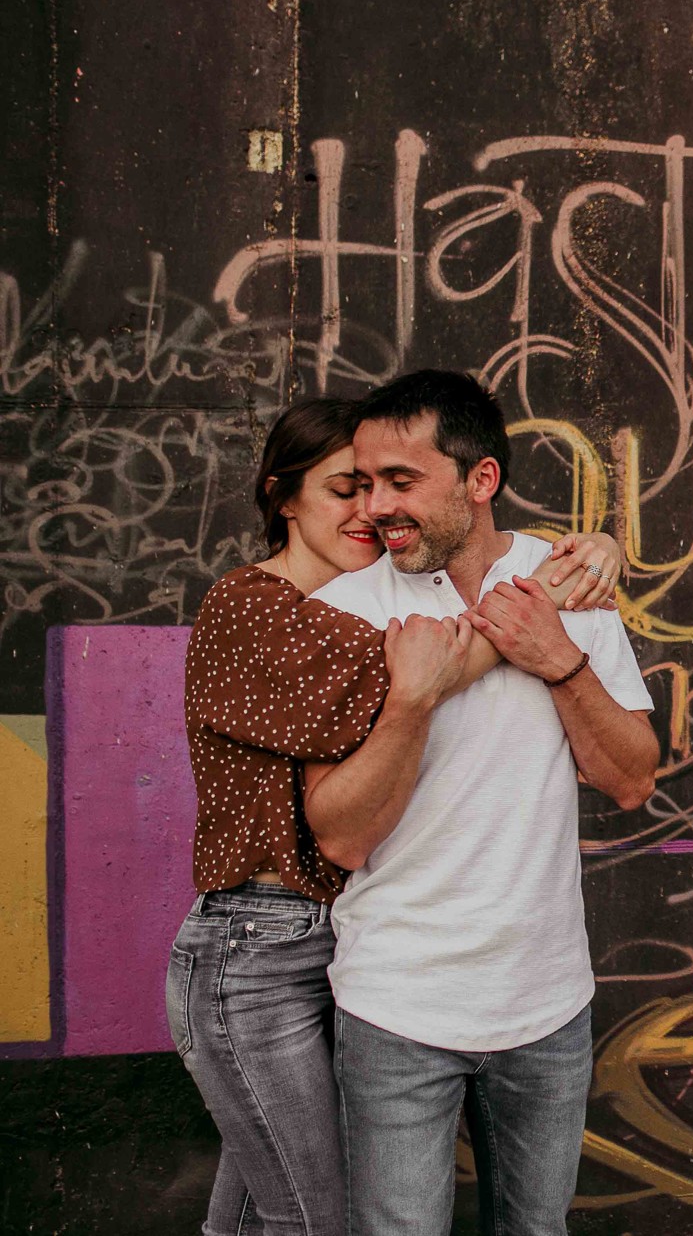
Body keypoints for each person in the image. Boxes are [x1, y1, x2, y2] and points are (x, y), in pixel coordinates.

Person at [170, 396, 624, 1236]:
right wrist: (545, 598)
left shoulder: (342, 605)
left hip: (326, 936)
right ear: (282, 497)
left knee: (254, 1211)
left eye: (381, 485)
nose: (370, 509)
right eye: (346, 488)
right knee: (313, 1219)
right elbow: (425, 673)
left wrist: (587, 552)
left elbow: (455, 578)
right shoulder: (257, 608)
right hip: (256, 946)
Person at [303, 370, 660, 1235]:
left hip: (546, 1003)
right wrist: (411, 702)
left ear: (481, 480)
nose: (377, 507)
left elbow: (632, 778)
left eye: (402, 481)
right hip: (397, 1005)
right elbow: (342, 836)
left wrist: (560, 660)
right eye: (364, 481)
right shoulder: (345, 611)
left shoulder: (567, 585)